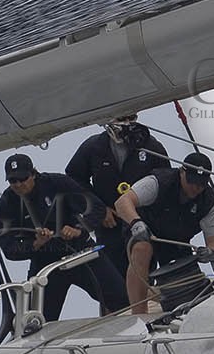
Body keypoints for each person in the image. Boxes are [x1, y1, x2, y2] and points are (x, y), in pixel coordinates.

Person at [0, 154, 128, 320]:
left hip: (80, 252)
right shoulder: (7, 203)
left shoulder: (56, 183)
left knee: (124, 300)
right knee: (33, 321)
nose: (19, 184)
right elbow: (8, 248)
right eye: (13, 181)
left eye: (23, 178)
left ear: (33, 174)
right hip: (46, 264)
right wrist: (36, 243)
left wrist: (78, 229)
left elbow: (97, 208)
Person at [114, 151, 214, 314]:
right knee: (142, 248)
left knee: (184, 286)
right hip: (145, 228)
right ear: (182, 172)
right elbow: (122, 202)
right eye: (192, 182)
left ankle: (160, 297)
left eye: (201, 184)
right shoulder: (158, 182)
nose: (195, 188)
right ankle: (139, 314)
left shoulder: (209, 200)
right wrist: (136, 224)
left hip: (177, 240)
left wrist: (209, 252)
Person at [64, 114, 171, 276]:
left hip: (142, 222)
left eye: (131, 118)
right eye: (121, 120)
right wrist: (99, 208)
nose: (127, 124)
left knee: (144, 271)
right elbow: (73, 178)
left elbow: (165, 183)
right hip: (109, 224)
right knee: (113, 274)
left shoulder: (152, 147)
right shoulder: (93, 146)